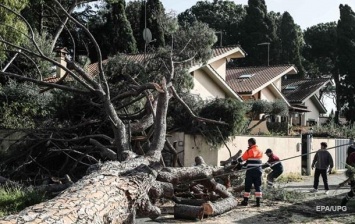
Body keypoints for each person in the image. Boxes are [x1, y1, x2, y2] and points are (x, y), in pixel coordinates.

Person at [236, 138, 263, 207]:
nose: (248, 144)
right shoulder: (260, 151)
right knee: (258, 186)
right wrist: (243, 165)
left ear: (251, 143)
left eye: (248, 143)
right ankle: (258, 202)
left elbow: (242, 159)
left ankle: (245, 201)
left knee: (247, 186)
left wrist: (236, 162)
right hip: (258, 170)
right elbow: (250, 161)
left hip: (251, 171)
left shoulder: (249, 151)